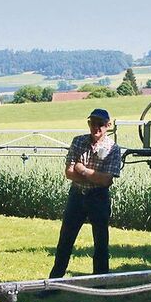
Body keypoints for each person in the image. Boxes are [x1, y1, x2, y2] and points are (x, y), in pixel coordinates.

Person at [49, 107, 124, 278]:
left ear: (108, 125)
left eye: (100, 124)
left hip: (99, 197)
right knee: (65, 240)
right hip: (76, 196)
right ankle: (54, 282)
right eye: (92, 123)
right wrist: (95, 176)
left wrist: (82, 170)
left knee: (101, 243)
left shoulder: (113, 148)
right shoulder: (78, 141)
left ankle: (100, 282)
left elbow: (107, 180)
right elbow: (69, 173)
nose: (96, 127)